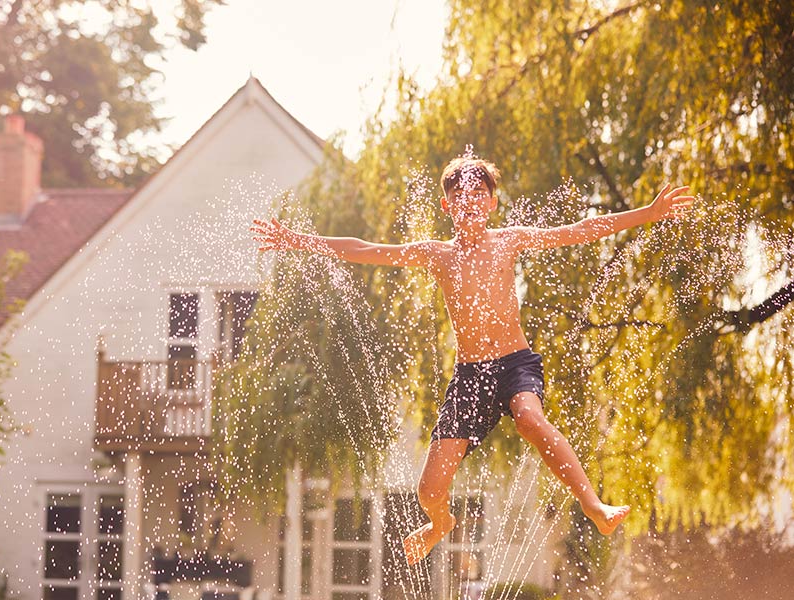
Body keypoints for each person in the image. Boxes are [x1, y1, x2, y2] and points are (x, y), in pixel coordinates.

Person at [250, 156, 694, 565]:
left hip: (515, 364)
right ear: (447, 205)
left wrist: (648, 213)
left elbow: (576, 230)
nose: (470, 201)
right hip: (470, 378)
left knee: (529, 419)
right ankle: (440, 525)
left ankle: (593, 505)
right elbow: (366, 249)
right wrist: (297, 240)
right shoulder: (438, 255)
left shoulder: (509, 242)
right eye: (461, 196)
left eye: (479, 194)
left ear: (492, 202)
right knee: (429, 490)